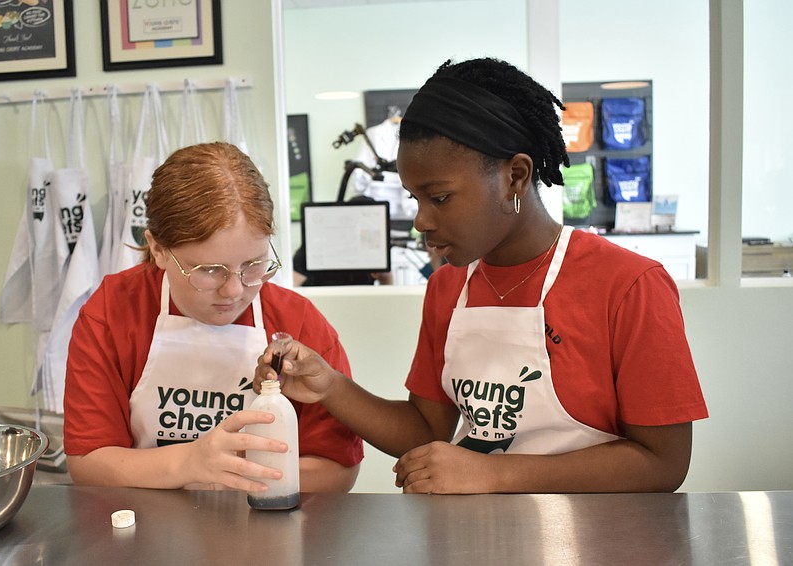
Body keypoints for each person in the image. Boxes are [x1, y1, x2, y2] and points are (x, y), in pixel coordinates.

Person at [255, 57, 708, 495]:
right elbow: (426, 430)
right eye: (415, 199)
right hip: (477, 537)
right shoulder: (448, 288)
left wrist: (494, 474)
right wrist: (331, 386)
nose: (421, 221)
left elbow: (663, 462)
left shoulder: (629, 285)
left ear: (515, 175)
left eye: (440, 198)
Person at [64, 141, 363, 492]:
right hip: (148, 529)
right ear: (158, 249)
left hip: (263, 530)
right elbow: (88, 461)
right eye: (209, 270)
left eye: (253, 265)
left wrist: (235, 479)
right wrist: (190, 462)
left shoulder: (296, 322)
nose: (234, 290)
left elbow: (338, 468)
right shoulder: (113, 312)